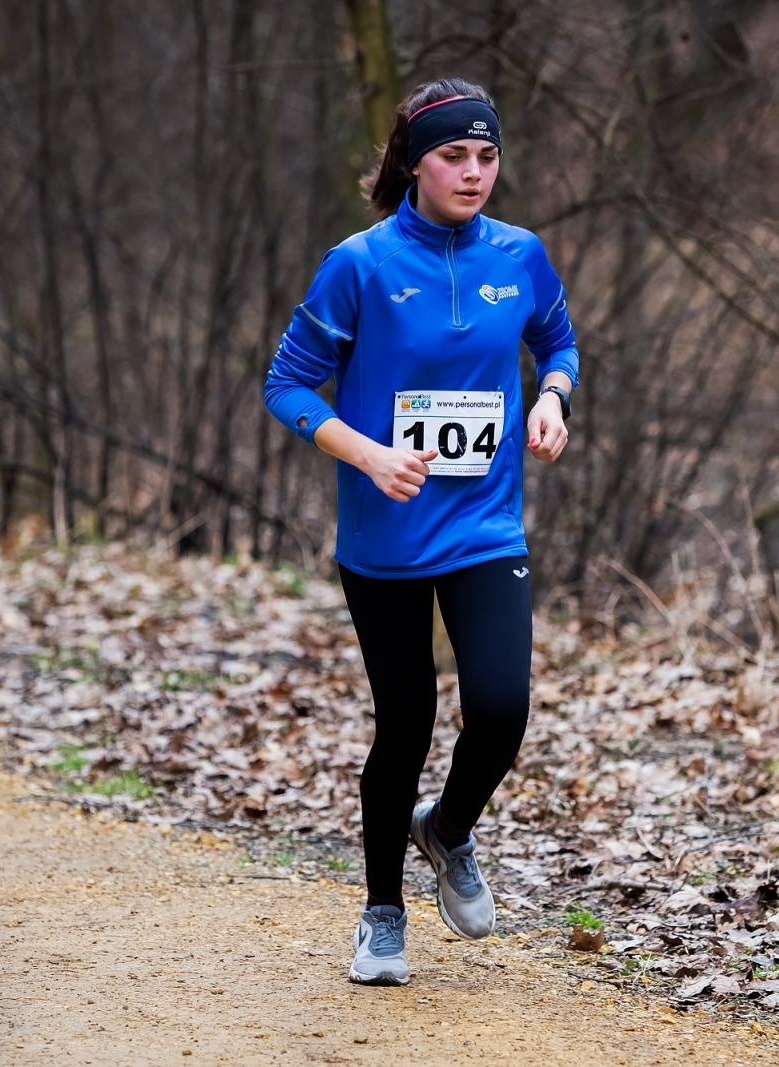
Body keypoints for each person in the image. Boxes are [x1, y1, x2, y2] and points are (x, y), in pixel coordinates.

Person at [263, 77, 579, 986]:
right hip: (386, 536)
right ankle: (382, 914)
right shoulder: (357, 265)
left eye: (488, 155)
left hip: (485, 526)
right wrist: (364, 453)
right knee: (404, 723)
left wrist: (552, 400)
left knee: (502, 709)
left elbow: (558, 343)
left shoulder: (520, 255)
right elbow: (285, 384)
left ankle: (445, 829)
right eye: (454, 155)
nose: (475, 172)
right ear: (414, 160)